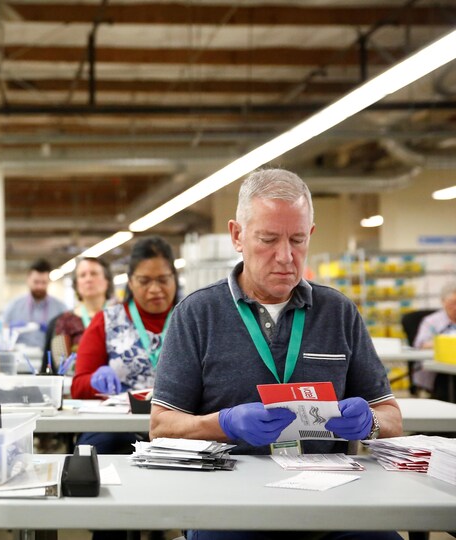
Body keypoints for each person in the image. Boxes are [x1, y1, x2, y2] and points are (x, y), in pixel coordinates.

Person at [151, 168, 402, 540]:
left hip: (330, 500)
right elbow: (160, 427)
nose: (285, 256)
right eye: (268, 239)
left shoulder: (338, 312)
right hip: (229, 501)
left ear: (310, 234)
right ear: (237, 235)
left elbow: (391, 418)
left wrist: (371, 423)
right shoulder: (197, 314)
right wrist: (223, 424)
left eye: (297, 240)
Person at [71, 238, 179, 455]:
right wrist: (94, 381)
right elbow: (78, 387)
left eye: (163, 280)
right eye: (144, 281)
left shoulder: (192, 319)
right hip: (119, 426)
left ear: (174, 279)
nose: (155, 289)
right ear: (130, 282)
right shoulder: (107, 321)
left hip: (179, 422)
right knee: (89, 453)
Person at [43, 256, 114, 373]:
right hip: (77, 381)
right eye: (82, 275)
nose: (88, 279)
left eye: (94, 273)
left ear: (107, 280)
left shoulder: (122, 316)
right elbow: (62, 365)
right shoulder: (63, 322)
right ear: (76, 284)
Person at [2, 258, 68, 349]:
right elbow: (3, 333)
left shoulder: (61, 308)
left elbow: (66, 337)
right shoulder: (13, 306)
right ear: (28, 280)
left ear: (49, 282)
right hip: (20, 355)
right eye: (36, 282)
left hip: (48, 355)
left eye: (43, 282)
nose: (39, 287)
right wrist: (9, 330)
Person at [412, 280, 456, 399]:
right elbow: (420, 344)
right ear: (443, 302)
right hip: (438, 372)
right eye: (452, 303)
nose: (455, 308)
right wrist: (445, 343)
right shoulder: (431, 321)